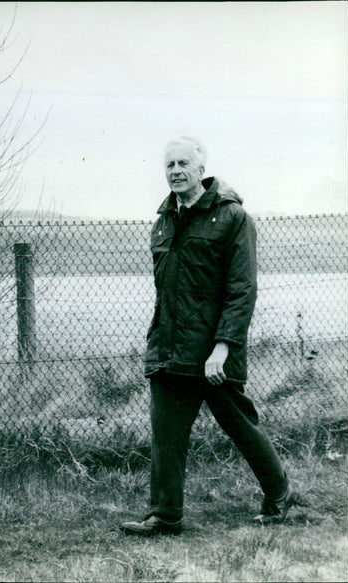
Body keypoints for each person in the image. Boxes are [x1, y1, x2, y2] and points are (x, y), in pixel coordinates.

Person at [120, 136, 299, 536]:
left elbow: (241, 290)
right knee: (166, 434)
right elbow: (165, 293)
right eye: (169, 165)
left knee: (240, 426)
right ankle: (165, 516)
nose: (176, 171)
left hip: (213, 353)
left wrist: (223, 346)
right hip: (169, 351)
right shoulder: (163, 221)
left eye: (183, 163)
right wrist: (156, 344)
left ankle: (280, 495)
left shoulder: (233, 218)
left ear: (202, 169)